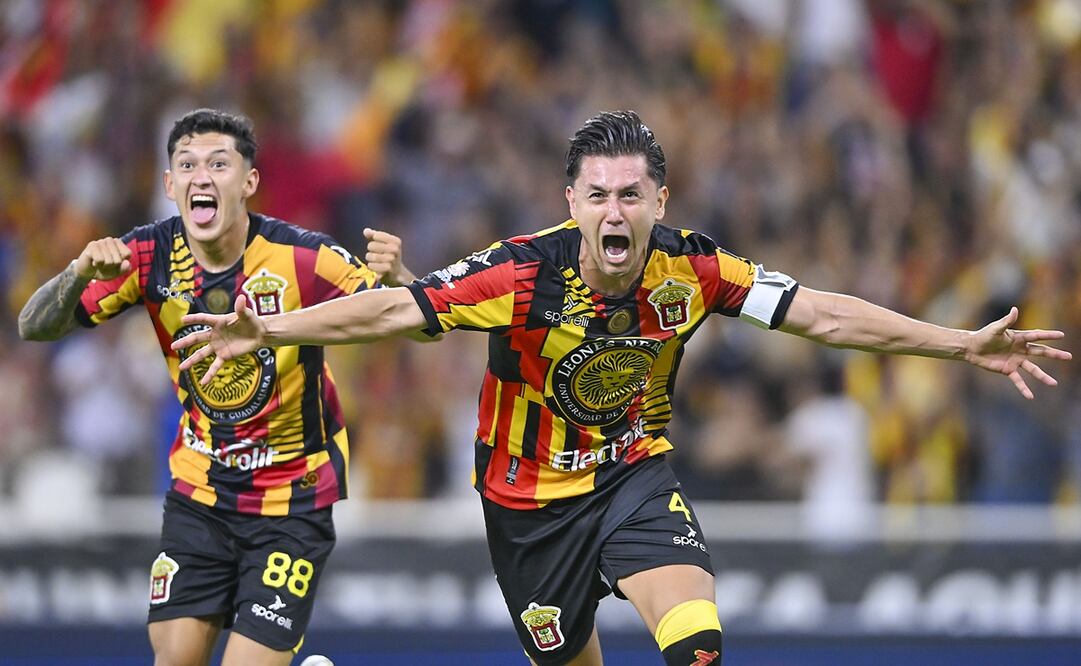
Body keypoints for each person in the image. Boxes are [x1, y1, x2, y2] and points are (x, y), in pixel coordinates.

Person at [171, 110, 1071, 666]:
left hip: (630, 475)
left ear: (660, 201)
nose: (613, 212)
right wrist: (274, 326)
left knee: (696, 637)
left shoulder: (694, 270)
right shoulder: (518, 276)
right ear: (569, 202)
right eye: (596, 194)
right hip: (523, 504)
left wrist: (956, 345)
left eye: (630, 194)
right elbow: (390, 315)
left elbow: (820, 315)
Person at [18, 108, 418, 666]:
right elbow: (33, 326)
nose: (200, 176)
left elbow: (416, 320)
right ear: (169, 184)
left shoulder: (303, 257)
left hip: (290, 499)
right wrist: (77, 274)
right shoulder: (145, 256)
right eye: (186, 164)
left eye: (218, 163)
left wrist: (402, 280)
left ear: (249, 182)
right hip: (200, 497)